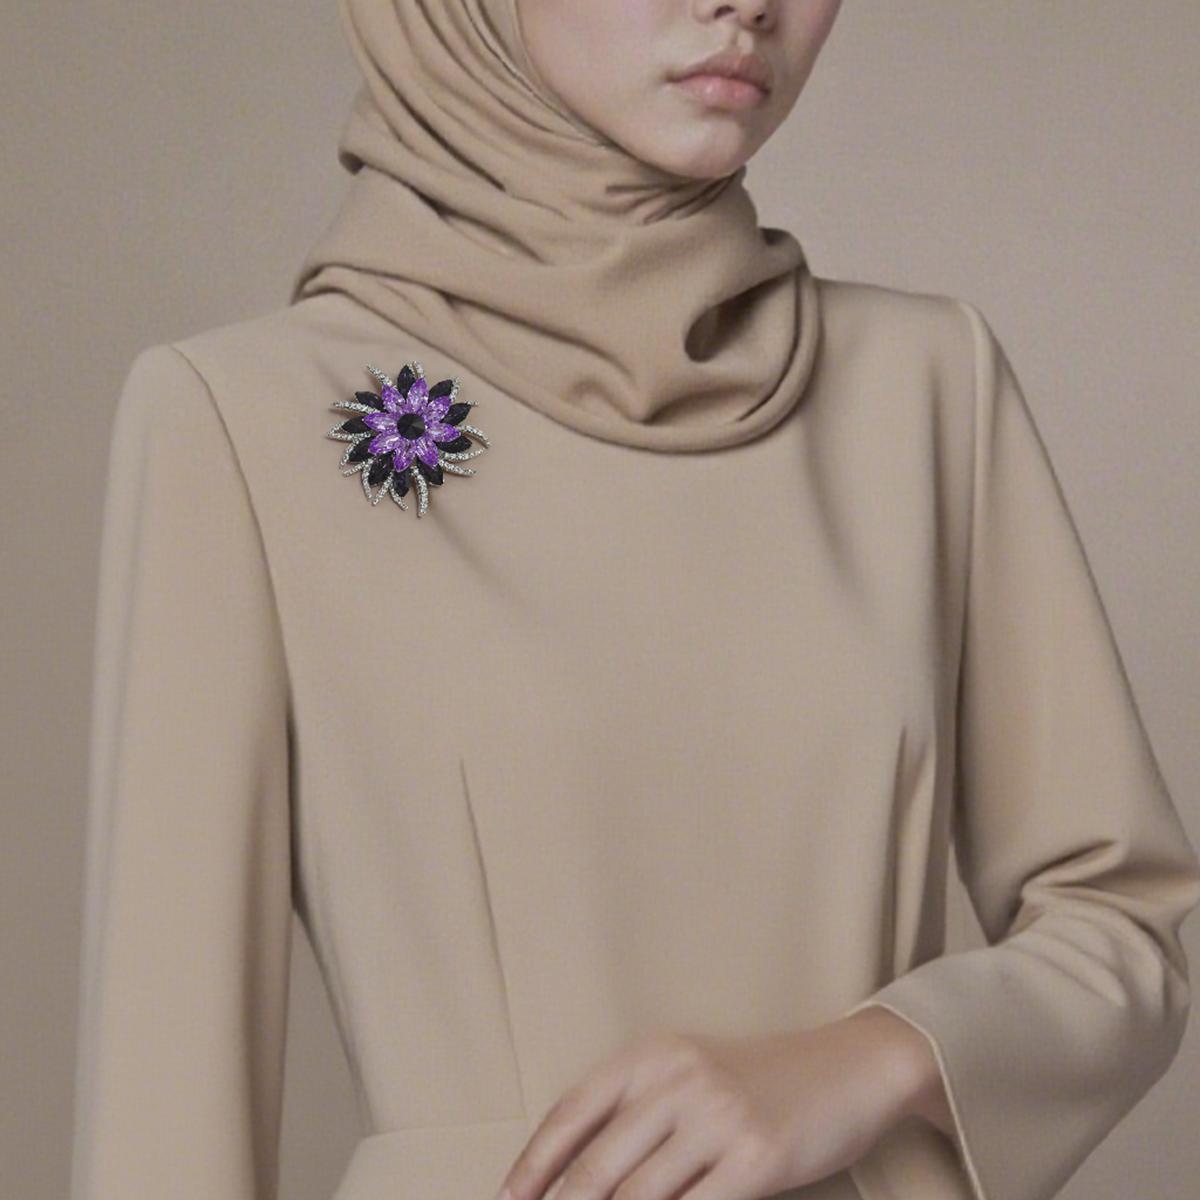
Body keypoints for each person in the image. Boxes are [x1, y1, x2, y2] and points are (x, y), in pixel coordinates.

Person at [69, 3, 1200, 1200]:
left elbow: (1123, 924)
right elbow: (163, 1127)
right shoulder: (240, 418)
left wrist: (874, 1061)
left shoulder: (925, 384)